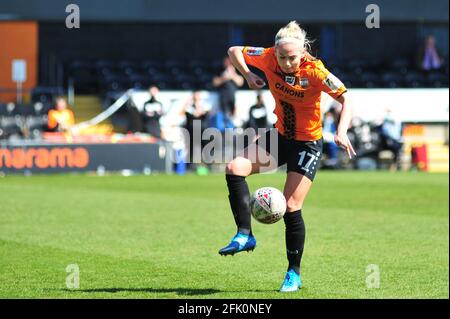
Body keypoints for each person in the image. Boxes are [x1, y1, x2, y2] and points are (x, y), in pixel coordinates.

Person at [218, 21, 355, 292]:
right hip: (280, 136)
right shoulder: (268, 56)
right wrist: (247, 74)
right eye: (282, 57)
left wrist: (341, 130)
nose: (287, 62)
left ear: (303, 52)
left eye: (292, 57)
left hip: (307, 144)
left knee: (292, 206)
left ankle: (293, 272)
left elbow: (346, 98)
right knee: (234, 168)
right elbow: (234, 50)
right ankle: (245, 234)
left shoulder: (316, 71)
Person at [181, 90, 211, 170]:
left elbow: (206, 115)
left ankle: (208, 165)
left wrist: (199, 111)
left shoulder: (205, 105)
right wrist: (198, 112)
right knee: (191, 148)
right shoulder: (189, 106)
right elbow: (190, 115)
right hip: (191, 131)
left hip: (203, 131)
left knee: (206, 147)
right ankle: (190, 166)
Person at [212, 56, 244, 126]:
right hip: (223, 97)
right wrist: (224, 77)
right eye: (226, 62)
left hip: (233, 97)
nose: (228, 64)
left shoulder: (236, 71)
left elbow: (241, 82)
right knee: (224, 116)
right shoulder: (220, 70)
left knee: (233, 117)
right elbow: (214, 83)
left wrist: (233, 75)